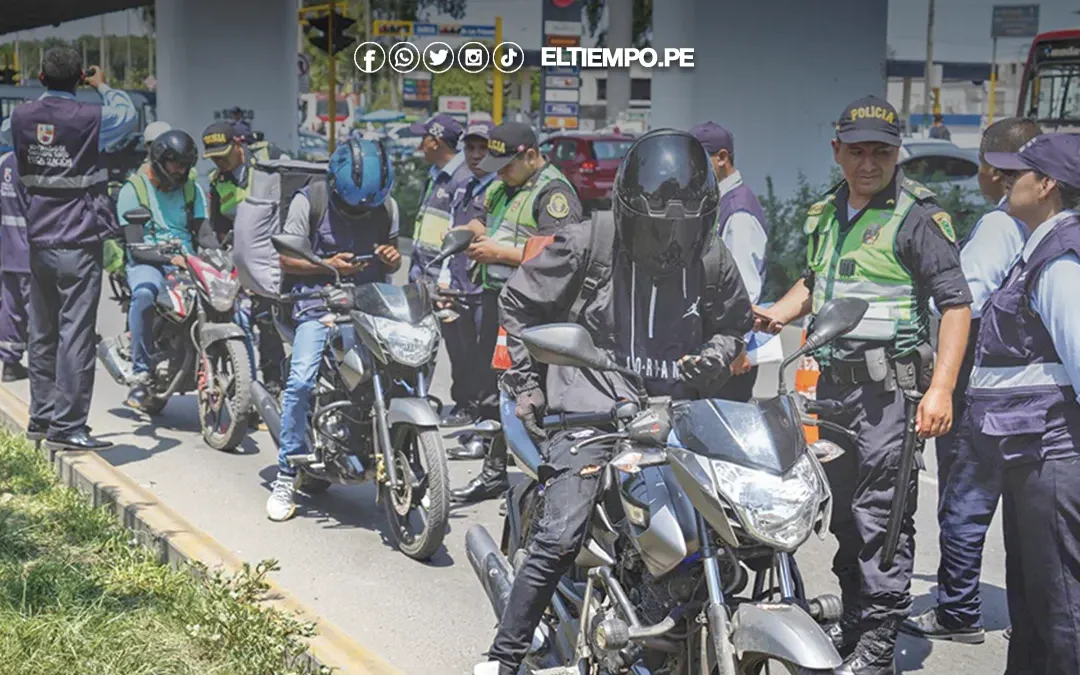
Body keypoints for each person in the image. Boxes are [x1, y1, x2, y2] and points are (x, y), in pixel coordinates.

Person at [473, 129, 754, 675]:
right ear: (629, 210)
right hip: (590, 413)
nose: (670, 242)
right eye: (657, 227)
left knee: (741, 523)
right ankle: (503, 656)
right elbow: (519, 304)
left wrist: (717, 355)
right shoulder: (588, 243)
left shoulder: (712, 259)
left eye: (682, 228)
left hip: (678, 417)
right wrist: (530, 385)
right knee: (559, 535)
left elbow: (735, 325)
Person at [753, 95, 972, 675]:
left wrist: (941, 389)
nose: (869, 163)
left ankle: (877, 645)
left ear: (898, 153)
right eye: (857, 151)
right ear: (837, 152)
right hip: (832, 391)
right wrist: (776, 314)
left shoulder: (919, 217)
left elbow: (956, 306)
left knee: (883, 517)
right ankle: (854, 618)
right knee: (842, 513)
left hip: (889, 396)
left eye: (882, 151)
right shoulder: (825, 213)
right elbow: (816, 281)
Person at [900, 117, 1041, 645]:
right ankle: (1032, 615)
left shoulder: (1000, 226)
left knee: (964, 499)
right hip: (1039, 391)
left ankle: (958, 610)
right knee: (1031, 508)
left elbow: (965, 303)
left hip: (984, 386)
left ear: (992, 167)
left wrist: (941, 375)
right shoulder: (1054, 222)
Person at [968, 132, 1080, 675]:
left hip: (1053, 456)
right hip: (1027, 454)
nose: (1008, 180)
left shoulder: (1059, 261)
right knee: (1033, 602)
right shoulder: (1034, 249)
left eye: (1021, 172)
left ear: (1049, 184)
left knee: (1061, 608)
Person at [266, 137, 402, 522]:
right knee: (302, 381)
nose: (360, 213)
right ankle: (286, 472)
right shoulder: (310, 201)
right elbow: (287, 260)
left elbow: (390, 263)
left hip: (371, 306)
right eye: (350, 206)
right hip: (318, 305)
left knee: (401, 374)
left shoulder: (387, 207)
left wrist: (392, 257)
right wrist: (330, 267)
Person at [9, 48, 137, 450]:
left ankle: (41, 418)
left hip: (38, 241)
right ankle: (68, 427)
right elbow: (128, 116)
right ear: (80, 77)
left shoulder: (20, 117)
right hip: (80, 240)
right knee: (75, 336)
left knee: (42, 332)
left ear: (41, 77)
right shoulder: (92, 118)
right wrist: (103, 86)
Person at [448, 121, 582, 505]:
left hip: (534, 310)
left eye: (507, 164)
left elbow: (564, 257)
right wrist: (465, 232)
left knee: (528, 392)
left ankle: (547, 478)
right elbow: (486, 221)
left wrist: (500, 254)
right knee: (496, 387)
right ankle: (493, 473)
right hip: (500, 301)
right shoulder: (506, 184)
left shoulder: (554, 193)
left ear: (530, 155)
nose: (500, 171)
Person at [115, 130, 219, 409]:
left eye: (185, 164)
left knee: (227, 301)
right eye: (175, 163)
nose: (181, 170)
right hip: (147, 262)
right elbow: (135, 247)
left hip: (186, 261)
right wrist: (168, 259)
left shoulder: (191, 189)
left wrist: (220, 258)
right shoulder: (132, 190)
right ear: (159, 160)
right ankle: (140, 374)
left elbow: (204, 233)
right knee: (145, 294)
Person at [201, 121, 288, 396]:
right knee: (233, 319)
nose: (219, 162)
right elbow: (217, 227)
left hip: (271, 257)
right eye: (214, 158)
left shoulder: (269, 162)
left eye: (223, 155)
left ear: (238, 146)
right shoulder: (218, 181)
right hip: (238, 258)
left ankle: (273, 387)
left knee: (267, 321)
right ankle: (240, 386)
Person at [690, 120, 769, 402]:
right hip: (718, 347)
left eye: (698, 160)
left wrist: (739, 347)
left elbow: (744, 288)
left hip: (731, 355)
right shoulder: (718, 202)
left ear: (722, 158)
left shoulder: (738, 212)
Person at [404, 113, 475, 426]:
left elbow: (456, 231)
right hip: (423, 273)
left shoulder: (461, 177)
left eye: (424, 138)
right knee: (419, 342)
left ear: (436, 140)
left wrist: (447, 278)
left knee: (459, 348)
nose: (420, 144)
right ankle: (416, 399)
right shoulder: (436, 173)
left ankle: (466, 405)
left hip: (444, 279)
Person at [443, 119, 498, 459]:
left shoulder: (497, 190)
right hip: (462, 287)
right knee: (466, 359)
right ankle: (475, 419)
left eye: (484, 148)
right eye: (470, 148)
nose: (476, 155)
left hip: (486, 291)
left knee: (487, 365)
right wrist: (445, 279)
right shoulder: (463, 187)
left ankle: (488, 432)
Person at [0, 150, 30, 382]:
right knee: (38, 311)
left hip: (7, 250)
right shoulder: (32, 163)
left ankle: (10, 362)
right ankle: (46, 364)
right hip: (30, 251)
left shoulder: (3, 162)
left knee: (11, 307)